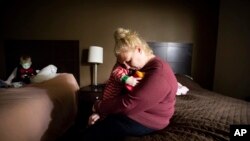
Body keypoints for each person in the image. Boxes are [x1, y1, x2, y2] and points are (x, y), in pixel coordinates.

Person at [82, 27, 178, 141]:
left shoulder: (159, 73)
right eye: (122, 63)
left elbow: (128, 104)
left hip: (147, 120)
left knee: (90, 135)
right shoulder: (143, 67)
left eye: (128, 61)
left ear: (139, 50)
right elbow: (122, 92)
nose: (126, 67)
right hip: (134, 111)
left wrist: (98, 106)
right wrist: (101, 113)